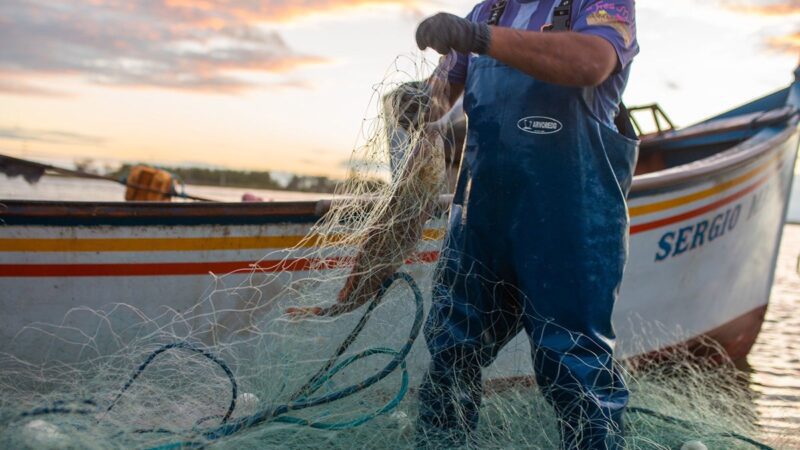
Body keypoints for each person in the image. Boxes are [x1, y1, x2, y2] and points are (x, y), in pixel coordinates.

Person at [289, 1, 639, 448]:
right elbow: (442, 96)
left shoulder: (598, 5)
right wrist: (421, 103)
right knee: (453, 354)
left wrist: (479, 39)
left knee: (574, 367)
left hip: (570, 227)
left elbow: (591, 61)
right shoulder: (488, 10)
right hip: (481, 223)